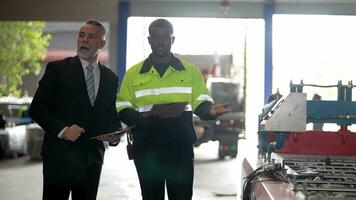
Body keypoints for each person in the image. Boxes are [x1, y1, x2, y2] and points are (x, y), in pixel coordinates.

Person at [116, 18, 231, 200]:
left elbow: (200, 100)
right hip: (147, 150)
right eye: (156, 37)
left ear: (173, 39)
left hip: (180, 149)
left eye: (165, 37)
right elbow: (123, 106)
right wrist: (139, 118)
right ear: (149, 40)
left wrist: (209, 112)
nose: (160, 41)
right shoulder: (133, 74)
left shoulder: (190, 72)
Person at [29, 20, 120, 200]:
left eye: (91, 36)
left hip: (92, 161)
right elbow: (37, 107)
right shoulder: (57, 69)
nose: (84, 40)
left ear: (102, 43)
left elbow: (109, 114)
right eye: (81, 35)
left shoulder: (110, 78)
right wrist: (63, 130)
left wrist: (115, 133)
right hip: (59, 159)